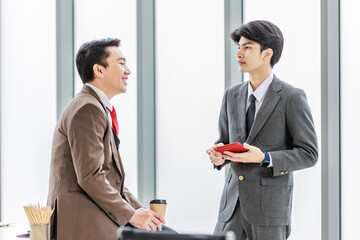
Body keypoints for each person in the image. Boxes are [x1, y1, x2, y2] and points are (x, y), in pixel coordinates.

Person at [206, 20, 318, 240]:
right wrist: (218, 156)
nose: (240, 53)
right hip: (231, 209)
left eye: (247, 47)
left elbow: (309, 154)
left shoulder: (291, 97)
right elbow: (225, 141)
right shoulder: (231, 95)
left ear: (267, 53)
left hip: (269, 211)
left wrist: (265, 157)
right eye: (239, 47)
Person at [47, 38, 166, 240]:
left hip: (93, 220)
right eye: (121, 63)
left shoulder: (94, 107)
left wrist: (142, 212)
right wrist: (132, 215)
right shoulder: (88, 109)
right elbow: (91, 176)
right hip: (83, 225)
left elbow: (111, 180)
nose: (128, 70)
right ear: (99, 70)